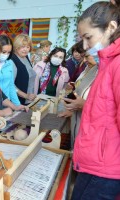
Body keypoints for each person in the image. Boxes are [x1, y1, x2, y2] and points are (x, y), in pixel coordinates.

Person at [72, 2, 120, 199]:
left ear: (111, 27)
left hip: (106, 167)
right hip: (96, 162)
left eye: (88, 37)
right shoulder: (107, 63)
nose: (85, 46)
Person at [58, 53, 98, 146]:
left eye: (87, 56)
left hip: (92, 134)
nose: (84, 60)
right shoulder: (92, 69)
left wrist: (85, 105)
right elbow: (81, 93)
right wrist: (72, 111)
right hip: (78, 125)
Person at [0, 35, 27, 110]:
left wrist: (17, 105)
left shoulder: (9, 63)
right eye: (3, 52)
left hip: (7, 103)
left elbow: (11, 86)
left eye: (9, 52)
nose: (6, 55)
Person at [11, 34, 37, 105]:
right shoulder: (13, 60)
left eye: (27, 47)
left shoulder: (26, 57)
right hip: (18, 102)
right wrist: (25, 95)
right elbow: (10, 85)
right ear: (16, 47)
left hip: (28, 100)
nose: (25, 49)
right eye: (22, 47)